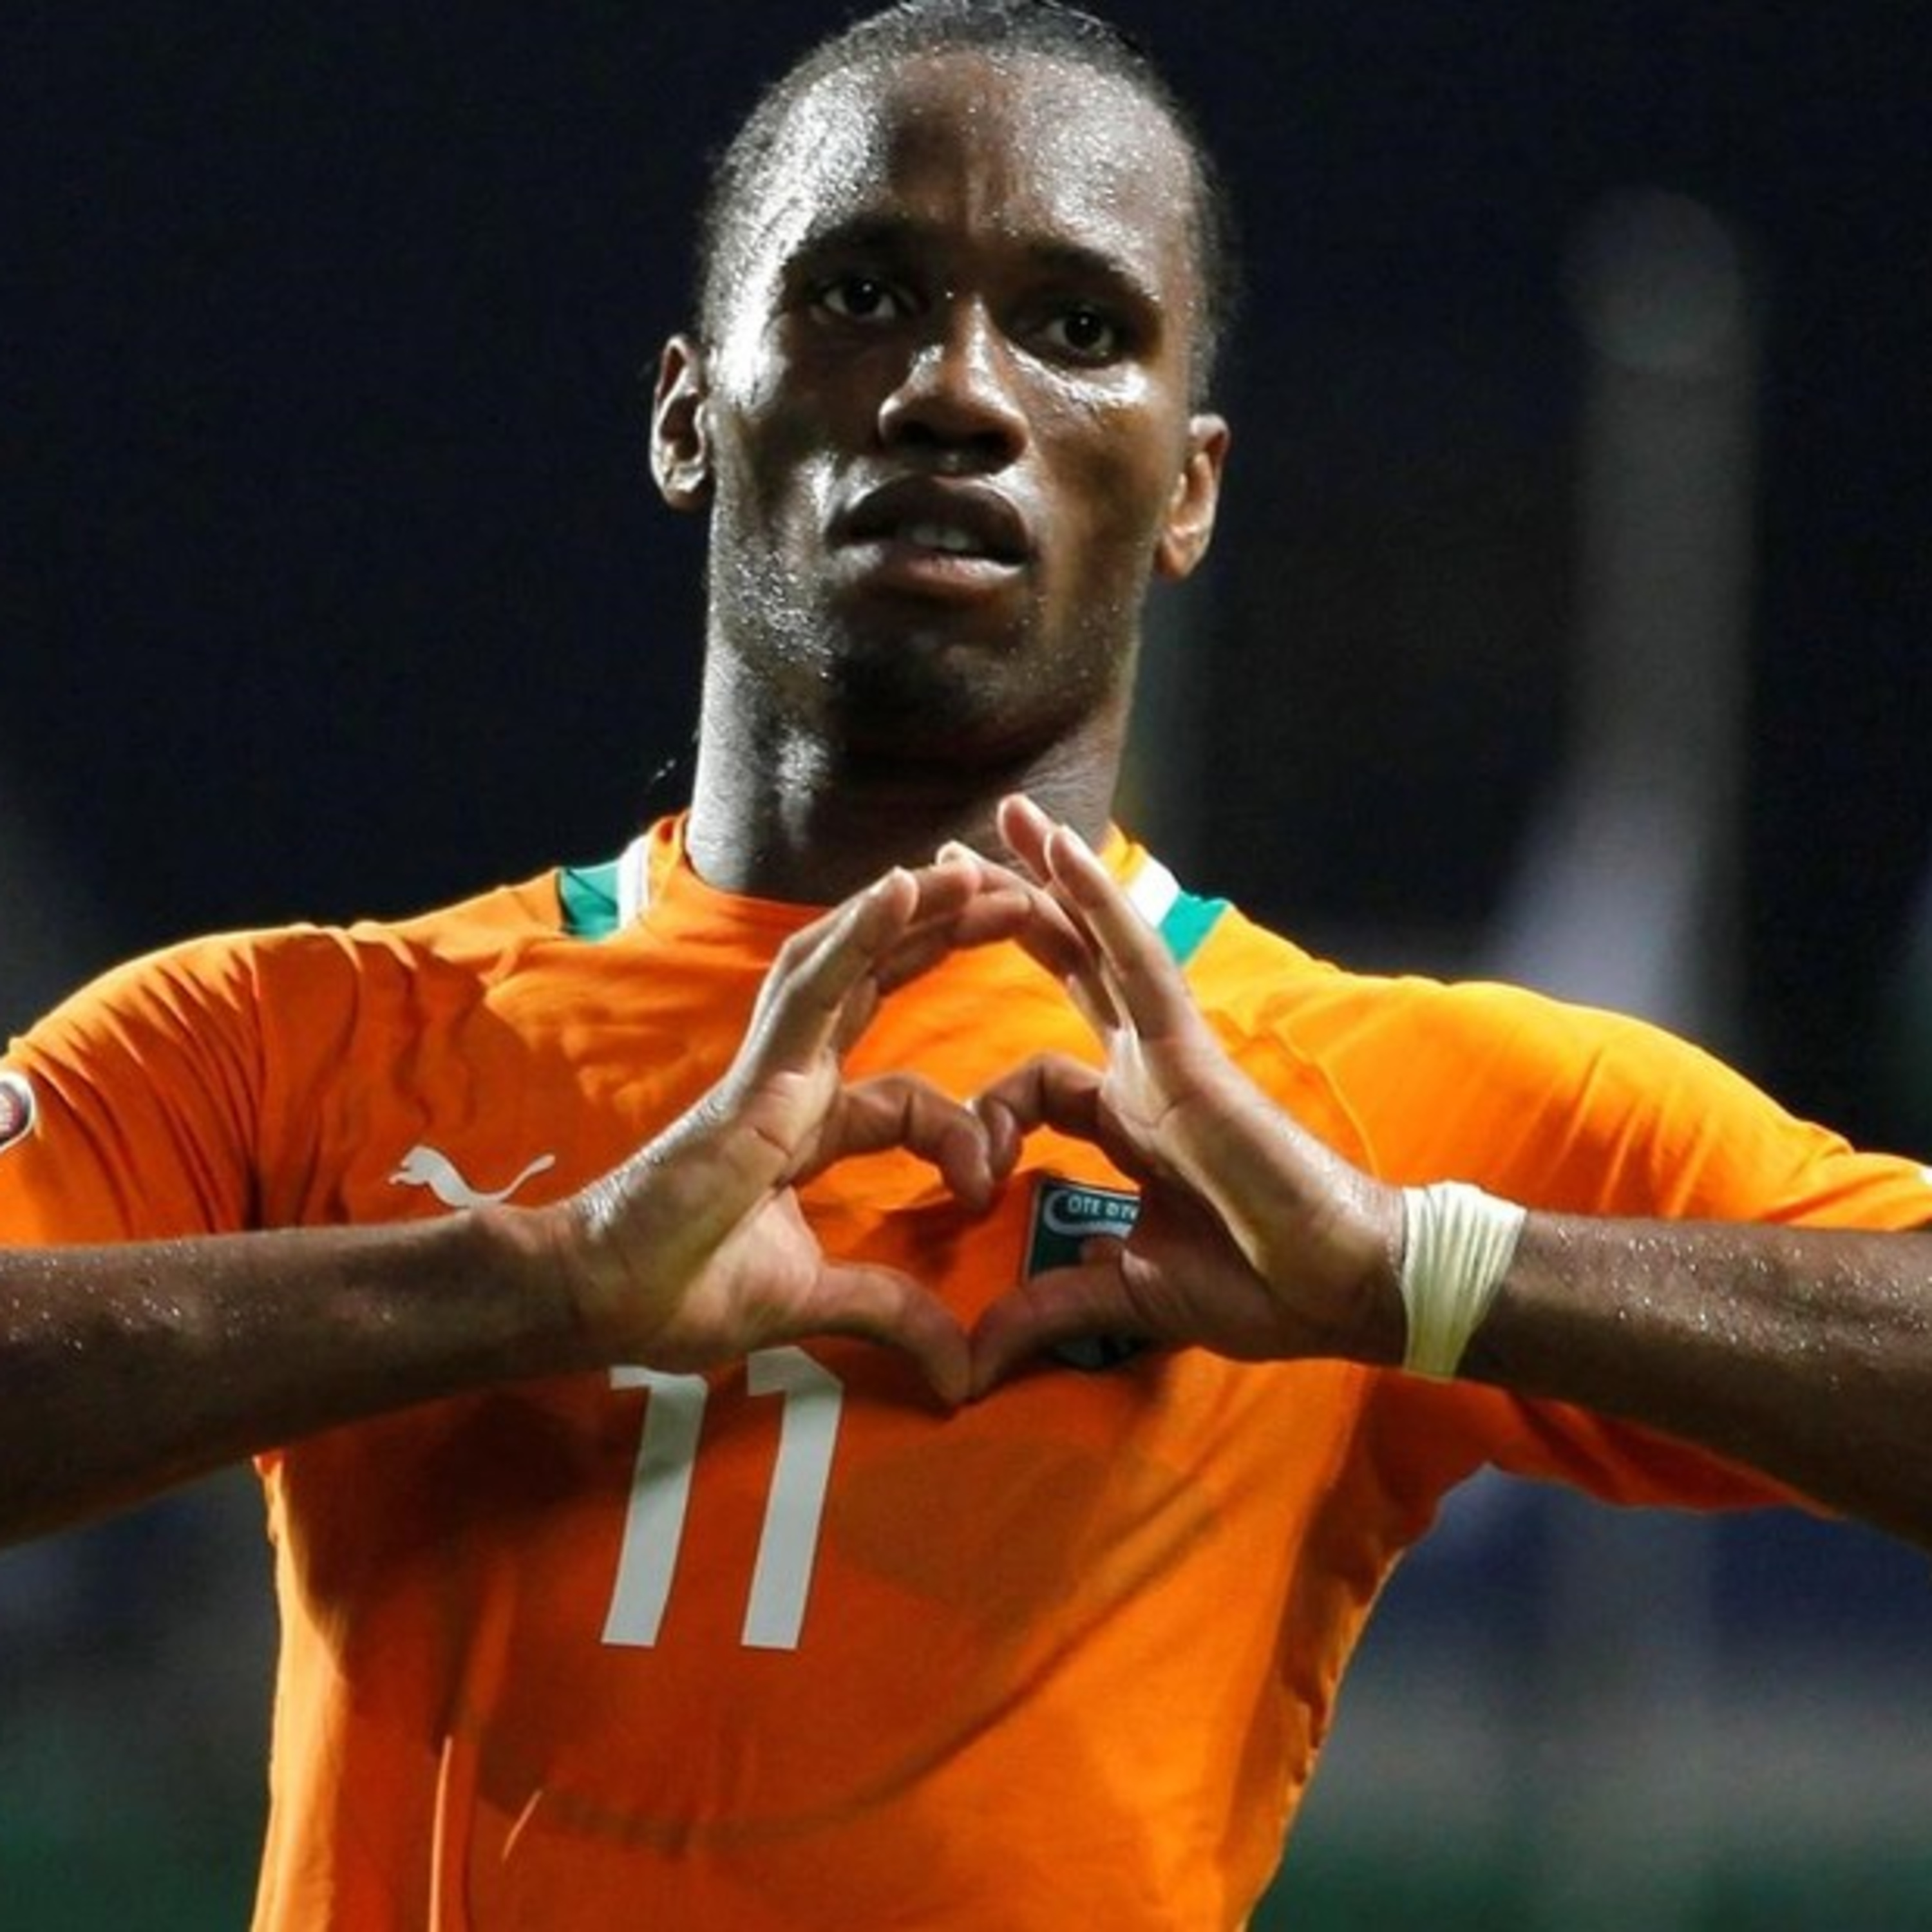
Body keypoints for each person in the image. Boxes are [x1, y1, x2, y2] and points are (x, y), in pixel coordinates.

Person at [1, 3, 1926, 1926]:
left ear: (1189, 489)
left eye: (1077, 328)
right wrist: (541, 1282)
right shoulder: (287, 1035)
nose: (959, 390)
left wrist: (1409, 1270)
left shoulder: (1347, 1109)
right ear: (687, 412)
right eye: (862, 294)